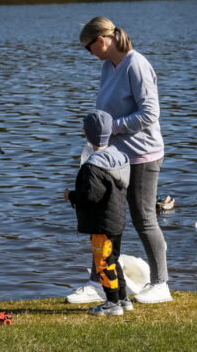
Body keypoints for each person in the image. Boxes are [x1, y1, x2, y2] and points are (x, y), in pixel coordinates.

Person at [67, 16, 172, 305]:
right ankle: (100, 282)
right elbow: (106, 110)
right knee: (105, 221)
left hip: (142, 154)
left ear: (101, 41)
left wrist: (111, 127)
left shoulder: (136, 65)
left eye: (88, 47)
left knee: (143, 218)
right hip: (112, 157)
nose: (89, 54)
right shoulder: (107, 67)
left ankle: (161, 283)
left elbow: (150, 114)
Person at [64, 110, 132, 316]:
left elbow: (90, 196)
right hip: (117, 220)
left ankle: (111, 304)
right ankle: (123, 298)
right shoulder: (120, 158)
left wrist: (72, 196)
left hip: (102, 223)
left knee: (103, 262)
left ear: (88, 135)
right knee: (114, 259)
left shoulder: (92, 166)